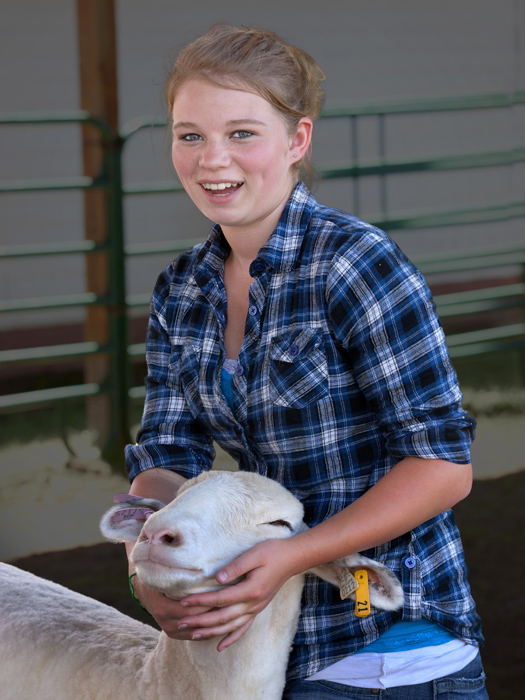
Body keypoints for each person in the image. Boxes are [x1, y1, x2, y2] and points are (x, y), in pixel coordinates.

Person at [125, 24, 488, 699]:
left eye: (241, 133)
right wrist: (145, 562)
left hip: (387, 645)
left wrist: (292, 555)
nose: (211, 160)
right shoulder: (181, 289)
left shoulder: (357, 264)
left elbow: (442, 467)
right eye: (189, 135)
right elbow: (165, 449)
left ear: (296, 141)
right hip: (267, 642)